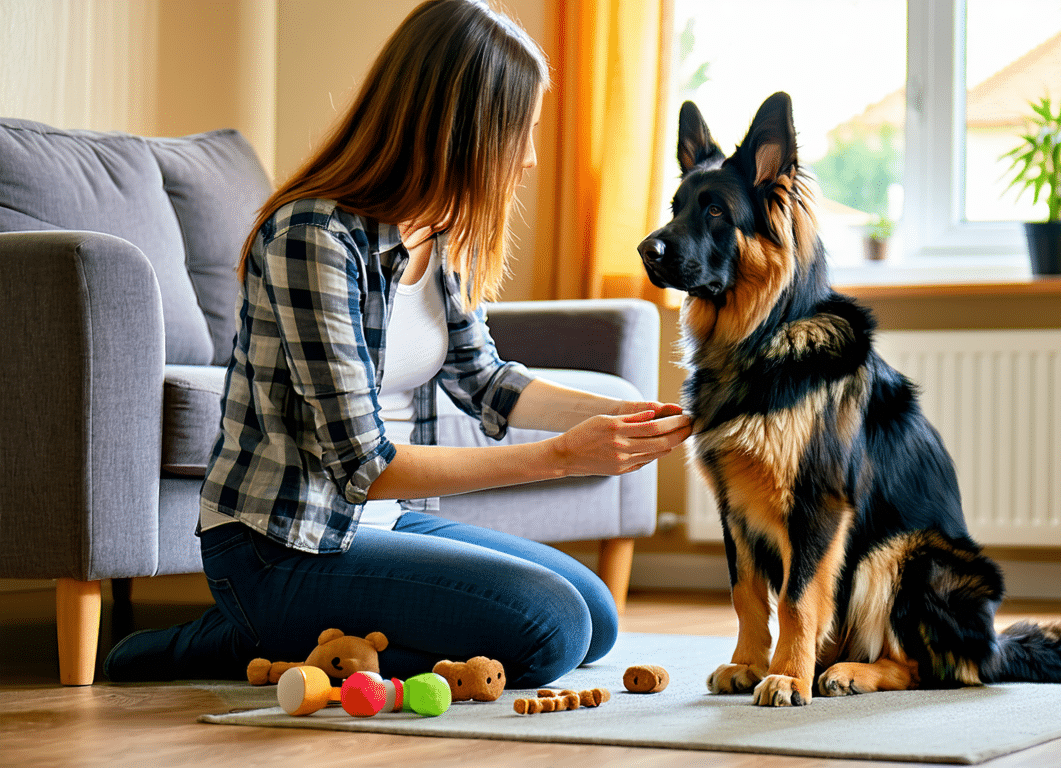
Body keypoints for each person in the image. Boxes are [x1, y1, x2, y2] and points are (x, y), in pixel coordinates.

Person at [104, 0, 692, 687]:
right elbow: (364, 464)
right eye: (520, 134)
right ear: (461, 129)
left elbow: (487, 380)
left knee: (594, 613)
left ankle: (298, 643)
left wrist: (624, 417)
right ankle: (242, 637)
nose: (529, 159)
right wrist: (563, 456)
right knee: (552, 630)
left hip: (380, 525)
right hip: (280, 548)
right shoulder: (311, 239)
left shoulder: (440, 231)